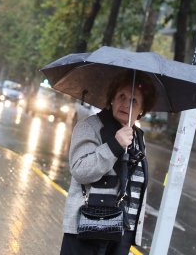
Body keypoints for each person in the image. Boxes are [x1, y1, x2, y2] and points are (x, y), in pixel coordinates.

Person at [60, 71, 157, 255]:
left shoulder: (137, 137)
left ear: (142, 109)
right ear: (112, 98)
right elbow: (80, 170)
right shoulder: (90, 127)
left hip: (120, 232)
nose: (125, 104)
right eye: (121, 96)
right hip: (88, 229)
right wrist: (114, 146)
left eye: (133, 100)